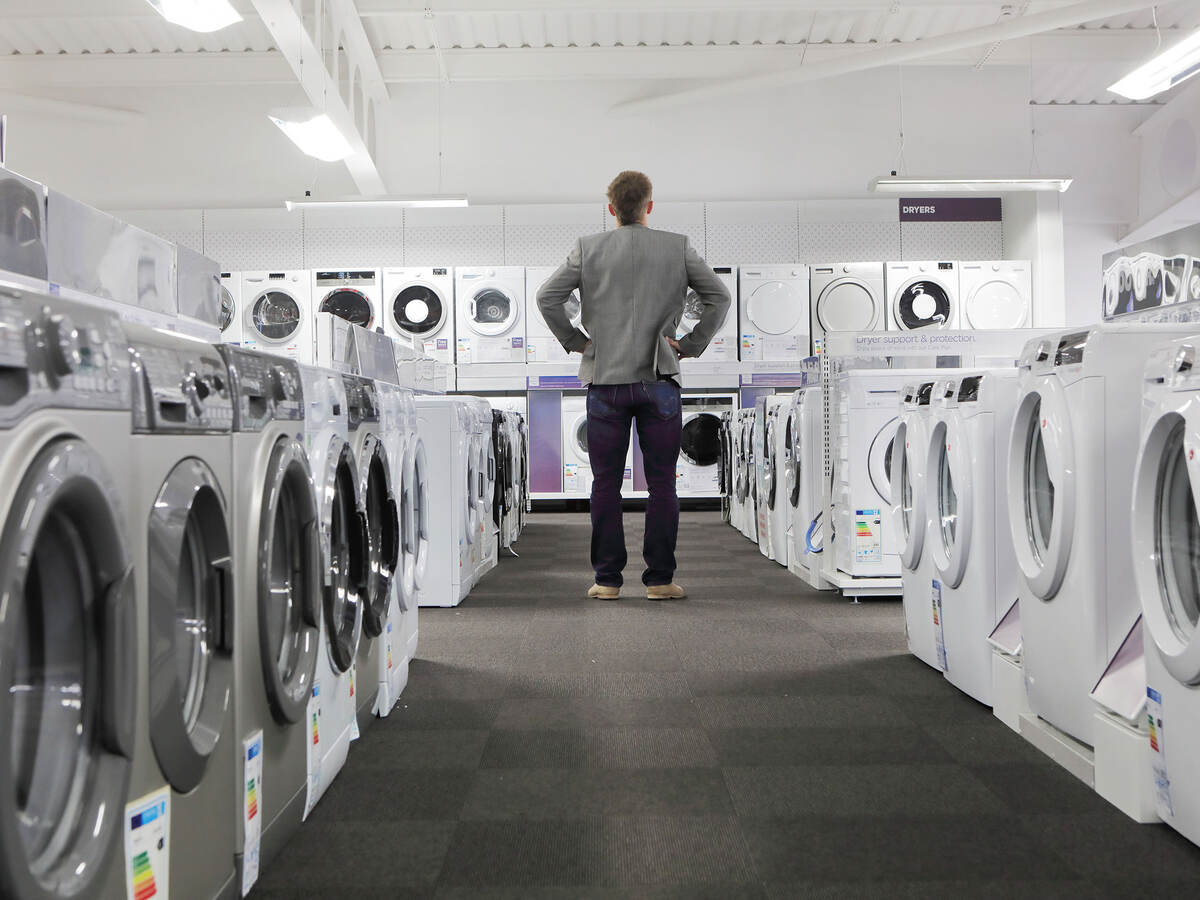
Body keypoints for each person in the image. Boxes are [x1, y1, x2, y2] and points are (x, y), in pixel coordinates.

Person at [537, 170, 731, 600]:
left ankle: (607, 581)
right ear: (649, 205)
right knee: (663, 483)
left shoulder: (589, 248)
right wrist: (691, 344)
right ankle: (660, 580)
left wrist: (576, 342)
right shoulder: (677, 246)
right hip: (658, 378)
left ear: (611, 210)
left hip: (605, 380)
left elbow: (546, 297)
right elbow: (719, 296)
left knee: (605, 483)